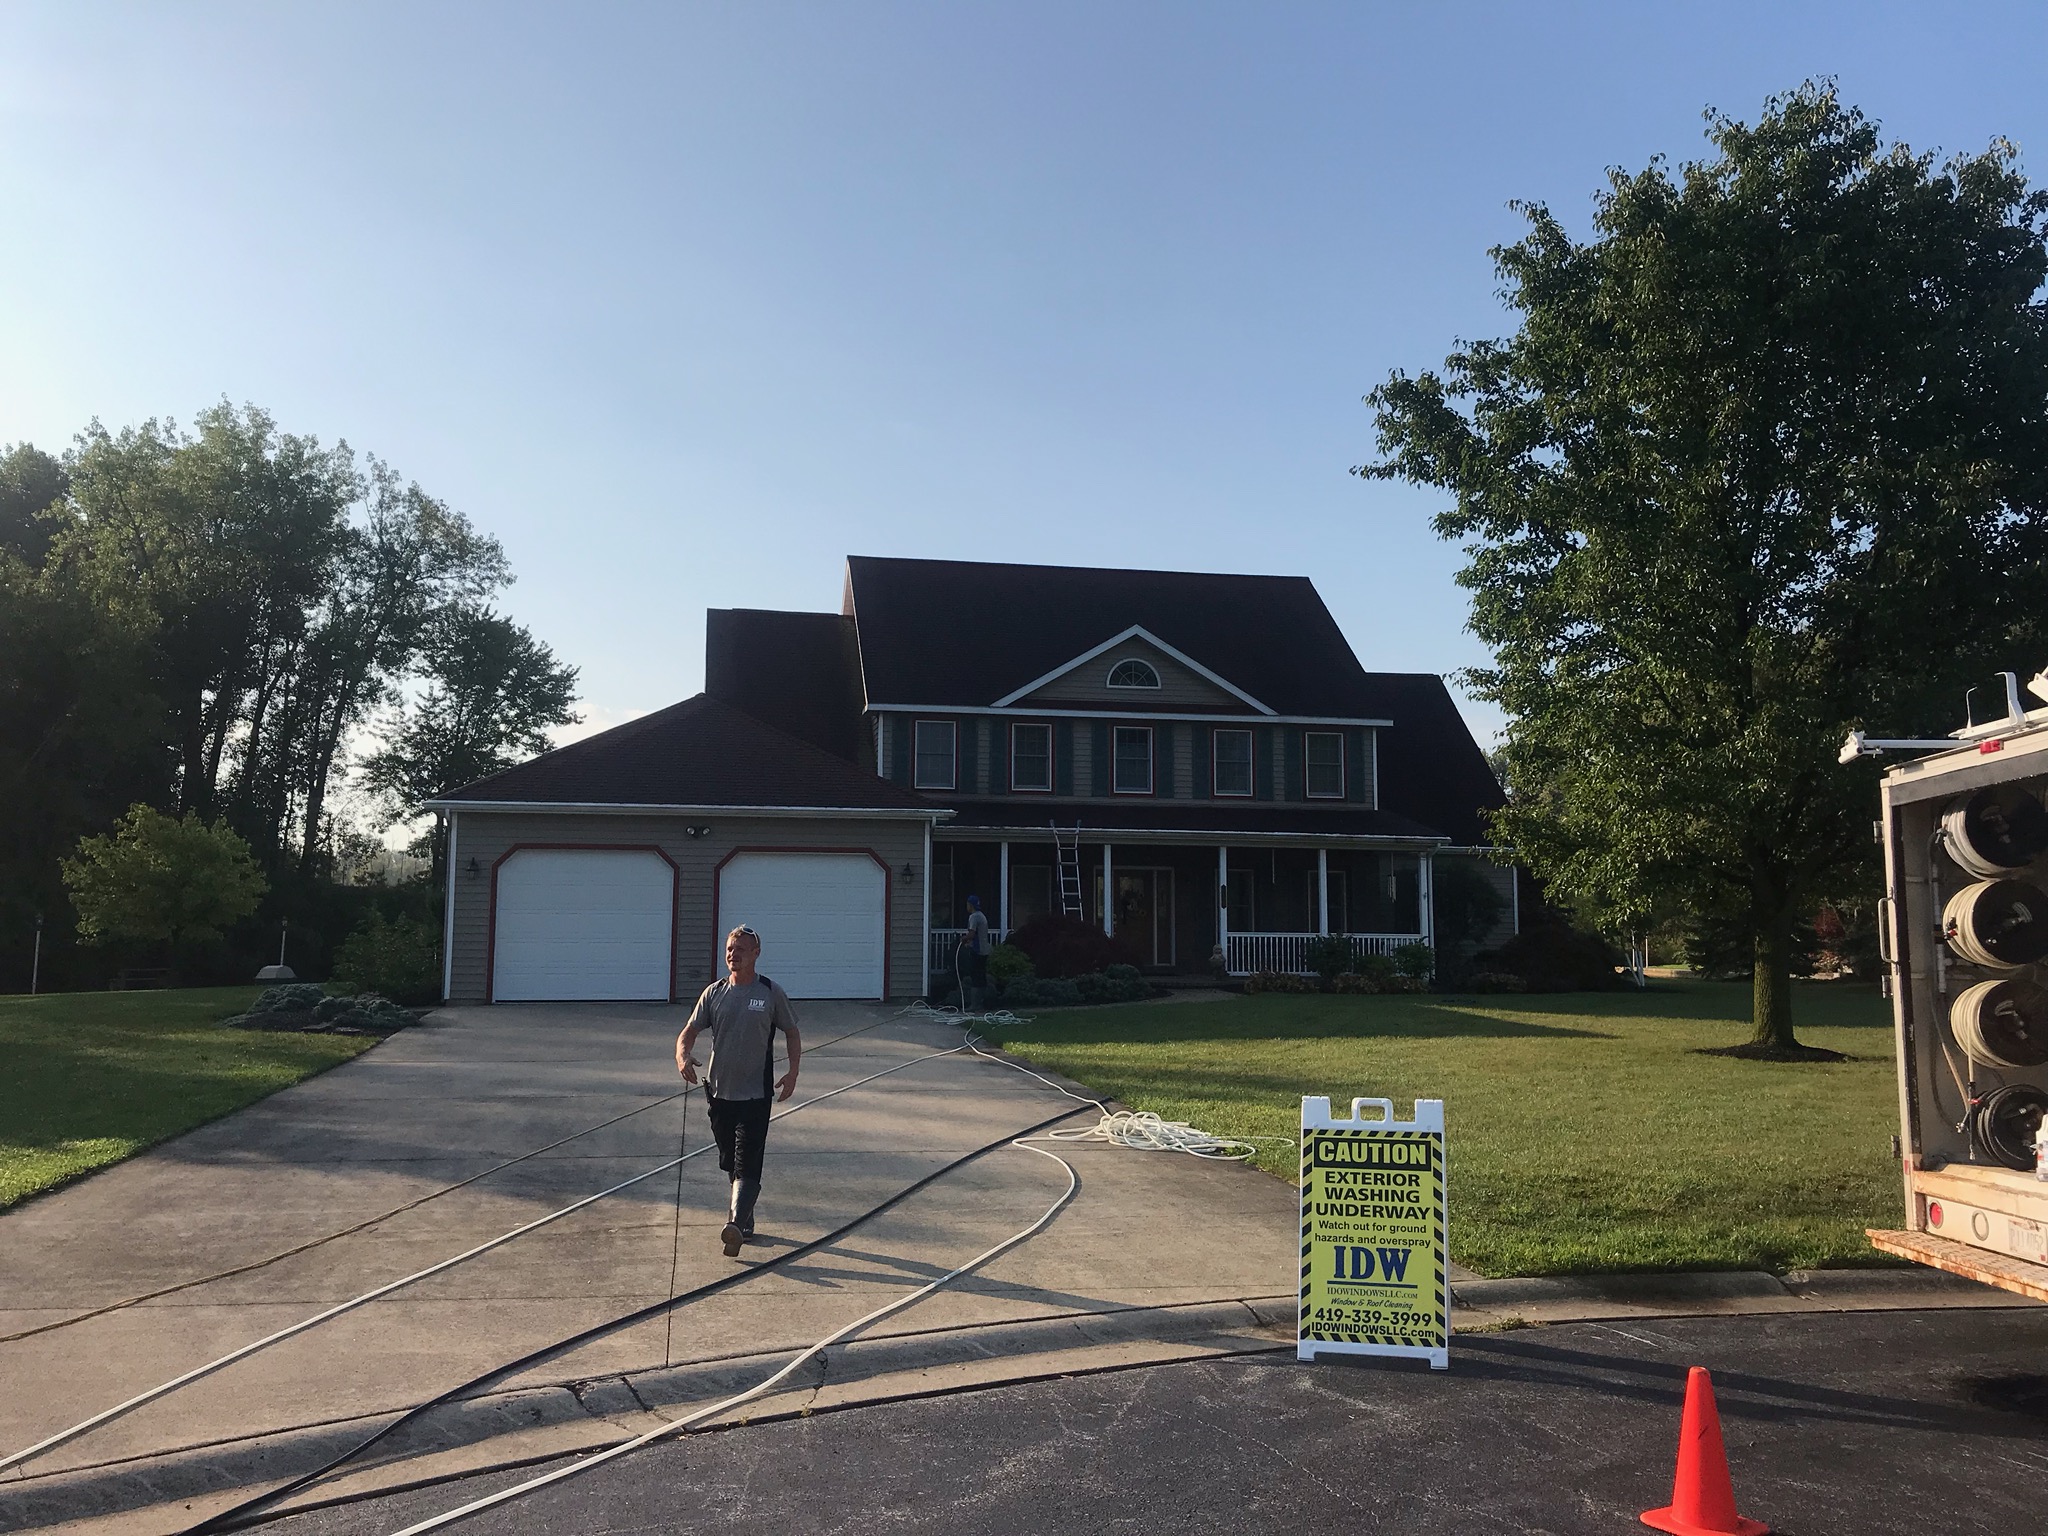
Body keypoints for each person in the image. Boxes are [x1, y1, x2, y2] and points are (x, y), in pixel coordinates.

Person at [676, 925, 801, 1257]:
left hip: (756, 1094)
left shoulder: (770, 993)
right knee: (730, 1161)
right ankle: (744, 1214)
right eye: (730, 949)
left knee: (748, 1159)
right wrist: (682, 1055)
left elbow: (792, 1032)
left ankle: (735, 1224)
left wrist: (792, 1072)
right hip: (719, 1093)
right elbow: (689, 1030)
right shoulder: (714, 993)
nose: (733, 954)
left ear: (756, 954)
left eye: (741, 949)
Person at [960, 894, 992, 1012]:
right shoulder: (981, 916)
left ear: (970, 905)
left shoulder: (973, 917)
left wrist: (964, 939)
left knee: (975, 977)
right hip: (985, 950)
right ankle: (981, 1004)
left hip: (977, 951)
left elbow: (972, 934)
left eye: (967, 904)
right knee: (981, 977)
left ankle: (974, 1005)